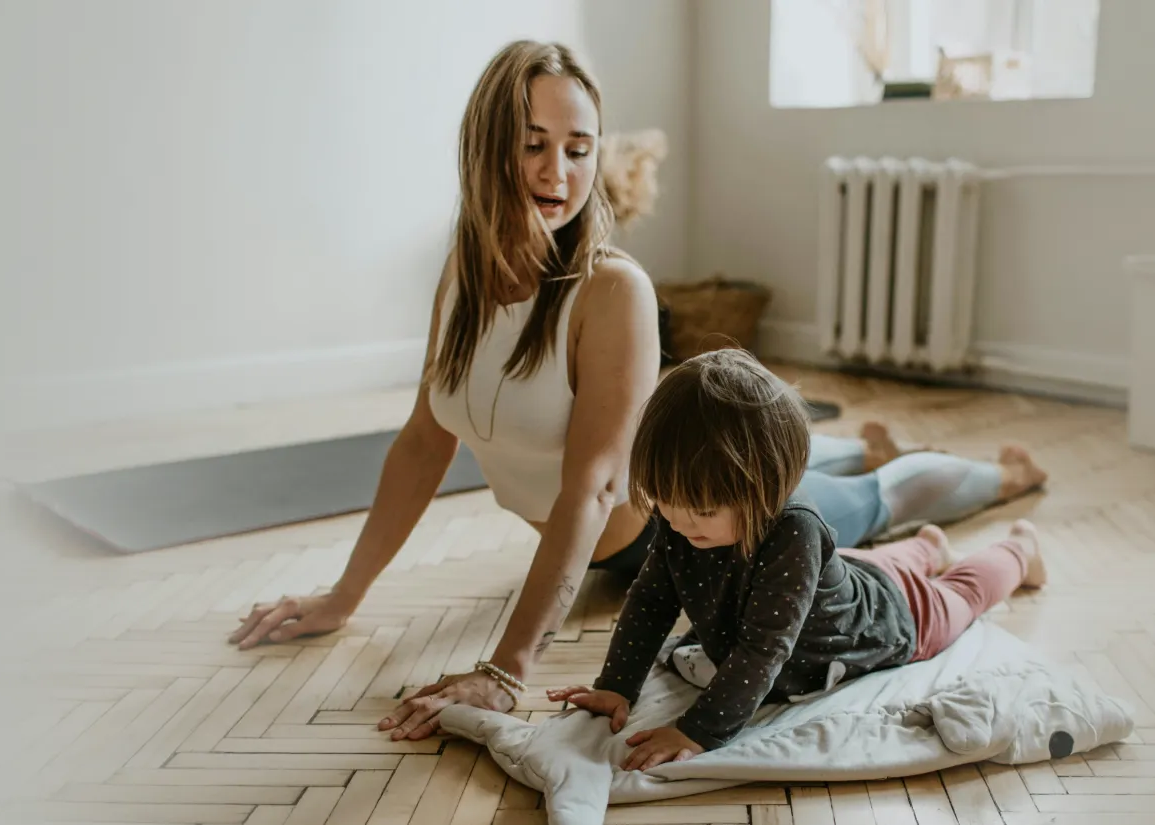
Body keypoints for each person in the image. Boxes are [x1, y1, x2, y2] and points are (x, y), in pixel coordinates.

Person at [225, 39, 1047, 741]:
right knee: (840, 484)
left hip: (705, 525)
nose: (558, 171)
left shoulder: (609, 289)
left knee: (873, 498)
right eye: (533, 143)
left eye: (578, 148)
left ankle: (1002, 483)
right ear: (485, 146)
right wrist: (344, 594)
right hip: (668, 512)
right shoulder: (462, 277)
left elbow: (591, 487)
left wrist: (505, 671)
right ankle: (855, 459)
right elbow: (420, 442)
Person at [547, 349, 1047, 770]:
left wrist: (697, 731)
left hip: (892, 616)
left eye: (700, 510)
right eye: (665, 503)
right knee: (877, 564)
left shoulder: (795, 532)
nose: (678, 522)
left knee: (961, 593)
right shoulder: (683, 521)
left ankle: (1020, 550)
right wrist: (616, 685)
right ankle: (929, 545)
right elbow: (652, 600)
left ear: (766, 488)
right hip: (848, 573)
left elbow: (763, 650)